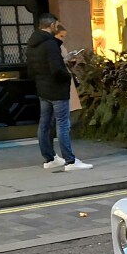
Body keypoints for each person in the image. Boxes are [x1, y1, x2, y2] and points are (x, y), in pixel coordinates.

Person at [27, 13, 93, 171]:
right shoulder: (50, 44)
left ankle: (50, 159)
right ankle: (70, 161)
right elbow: (56, 69)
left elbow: (31, 70)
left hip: (43, 89)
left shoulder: (32, 44)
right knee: (63, 124)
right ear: (51, 26)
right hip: (56, 89)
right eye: (56, 26)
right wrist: (67, 75)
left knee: (44, 124)